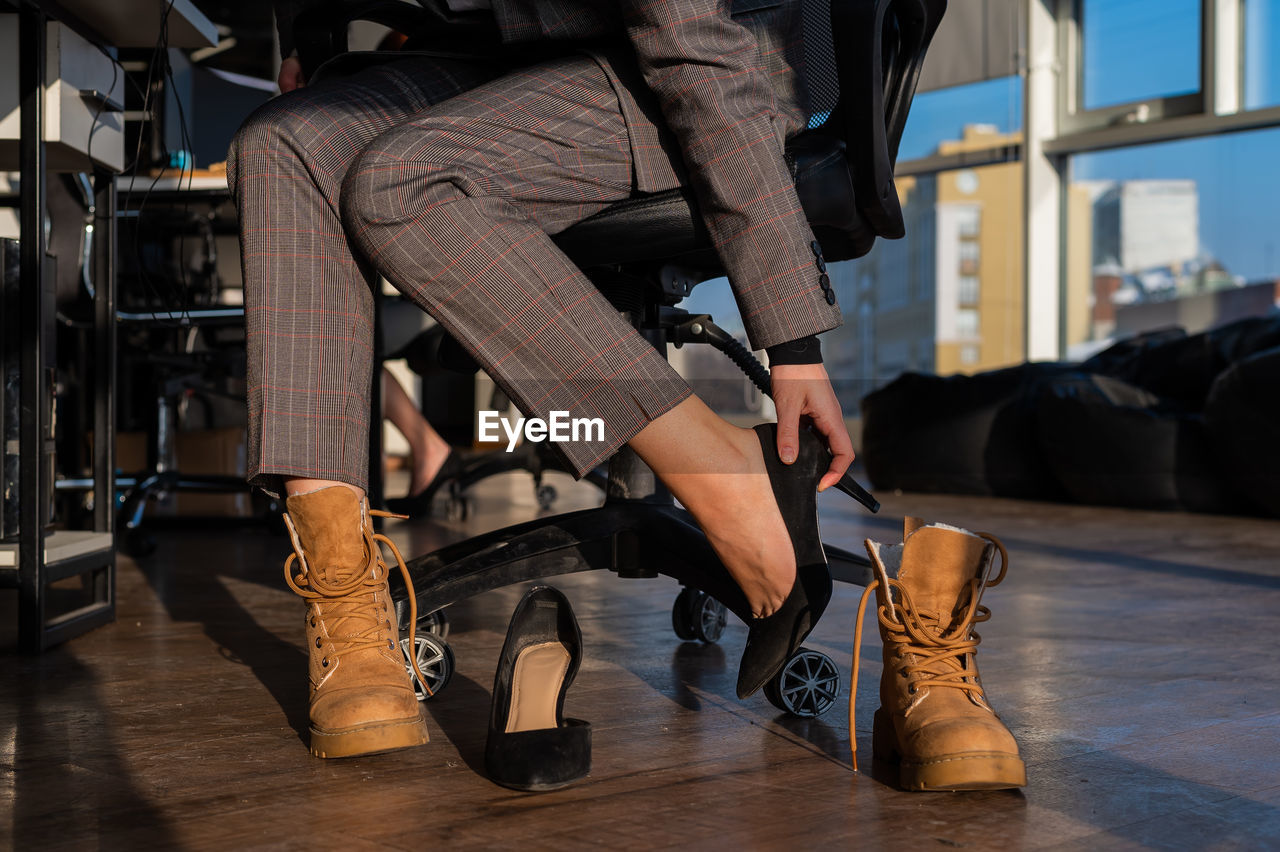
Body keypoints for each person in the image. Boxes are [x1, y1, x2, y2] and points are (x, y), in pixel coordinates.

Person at [230, 0, 1024, 791]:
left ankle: (723, 476)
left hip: (691, 63)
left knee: (404, 180)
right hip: (485, 60)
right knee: (285, 141)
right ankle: (347, 603)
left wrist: (793, 341)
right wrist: (308, 37)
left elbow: (693, 46)